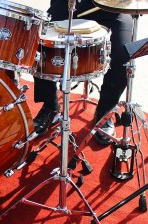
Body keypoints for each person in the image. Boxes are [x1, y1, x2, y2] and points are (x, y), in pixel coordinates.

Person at [33, 0, 133, 145]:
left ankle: (105, 111)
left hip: (114, 7)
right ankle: (50, 105)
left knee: (124, 53)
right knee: (40, 40)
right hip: (72, 3)